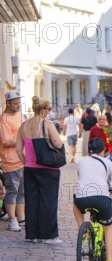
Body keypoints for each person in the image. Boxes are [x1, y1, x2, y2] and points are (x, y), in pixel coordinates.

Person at [73, 138, 112, 261]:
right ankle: (110, 258)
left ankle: (83, 229)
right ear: (103, 150)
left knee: (76, 204)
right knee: (108, 227)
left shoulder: (81, 161)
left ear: (89, 151)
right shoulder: (107, 162)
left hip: (82, 198)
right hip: (101, 198)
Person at [16, 96, 63, 243]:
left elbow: (19, 150)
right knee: (48, 201)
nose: (49, 112)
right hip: (48, 168)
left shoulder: (23, 125)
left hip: (29, 169)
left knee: (32, 201)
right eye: (48, 109)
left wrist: (27, 163)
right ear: (43, 110)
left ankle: (33, 235)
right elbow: (58, 143)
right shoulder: (47, 123)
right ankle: (49, 236)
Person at [0, 90, 26, 232]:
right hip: (10, 161)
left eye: (19, 103)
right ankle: (12, 219)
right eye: (15, 103)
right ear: (8, 103)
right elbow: (6, 141)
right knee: (12, 191)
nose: (18, 105)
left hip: (23, 159)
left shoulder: (21, 116)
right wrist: (23, 140)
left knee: (22, 191)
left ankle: (21, 218)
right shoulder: (3, 119)